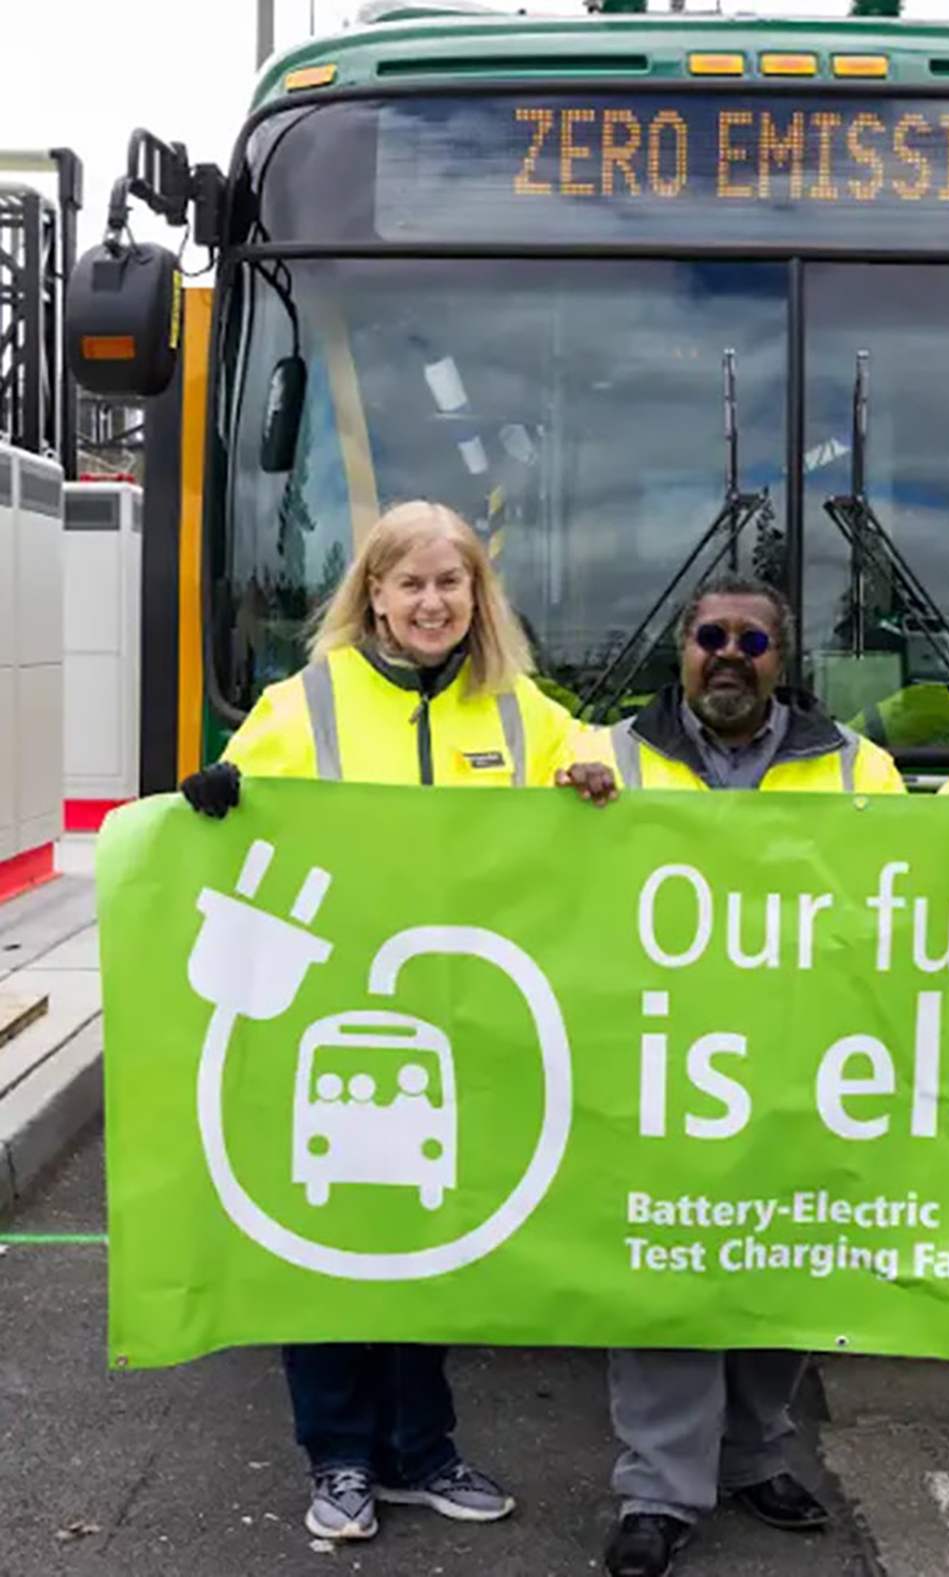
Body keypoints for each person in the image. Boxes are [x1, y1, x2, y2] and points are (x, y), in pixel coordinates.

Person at [177, 499, 619, 1544]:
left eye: (450, 582)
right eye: (410, 582)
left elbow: (603, 776)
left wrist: (597, 777)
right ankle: (338, 1457)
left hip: (462, 1026)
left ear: (478, 595)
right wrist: (215, 796)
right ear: (371, 592)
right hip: (325, 1021)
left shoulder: (522, 710)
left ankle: (421, 1451)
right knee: (328, 1246)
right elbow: (234, 823)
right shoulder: (307, 702)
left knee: (430, 1243)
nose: (431, 601)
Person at [580, 573, 907, 1577]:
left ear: (783, 659)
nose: (731, 653)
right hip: (657, 1061)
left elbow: (911, 898)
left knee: (781, 1259)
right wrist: (561, 806)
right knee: (666, 1272)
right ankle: (658, 1491)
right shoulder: (601, 759)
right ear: (681, 646)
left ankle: (758, 1453)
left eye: (754, 641)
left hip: (801, 1058)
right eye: (712, 635)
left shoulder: (860, 764)